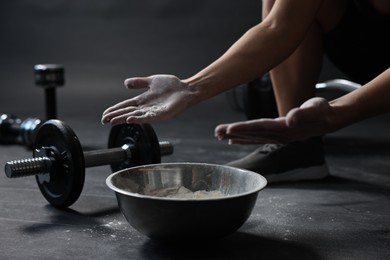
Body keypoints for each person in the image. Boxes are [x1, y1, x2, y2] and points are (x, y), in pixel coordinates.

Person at [101, 0, 390, 183]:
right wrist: (191, 88)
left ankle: (304, 135)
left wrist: (336, 114)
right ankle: (299, 150)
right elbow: (278, 27)